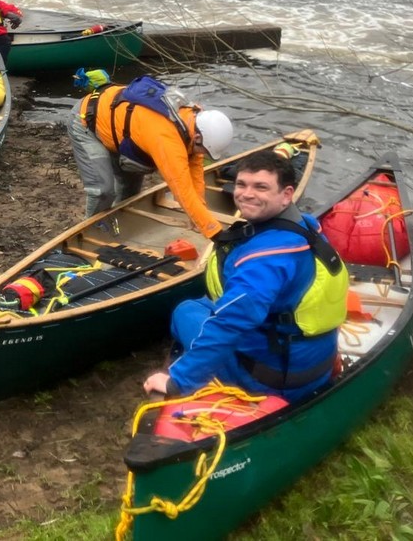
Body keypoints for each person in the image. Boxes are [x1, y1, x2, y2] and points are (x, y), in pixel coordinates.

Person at [144, 149, 348, 403]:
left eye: (261, 187)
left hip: (274, 379)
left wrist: (178, 383)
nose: (247, 194)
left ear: (286, 195)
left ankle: (189, 372)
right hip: (314, 364)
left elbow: (230, 322)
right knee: (209, 306)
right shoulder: (306, 225)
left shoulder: (265, 262)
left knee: (186, 311)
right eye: (241, 184)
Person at [69, 75, 234, 238]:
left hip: (118, 128)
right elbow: (181, 188)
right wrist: (214, 231)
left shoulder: (196, 121)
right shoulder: (166, 136)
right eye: (203, 150)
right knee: (103, 191)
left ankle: (118, 227)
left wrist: (198, 215)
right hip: (87, 121)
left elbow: (195, 169)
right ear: (197, 138)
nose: (202, 155)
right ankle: (88, 233)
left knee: (130, 191)